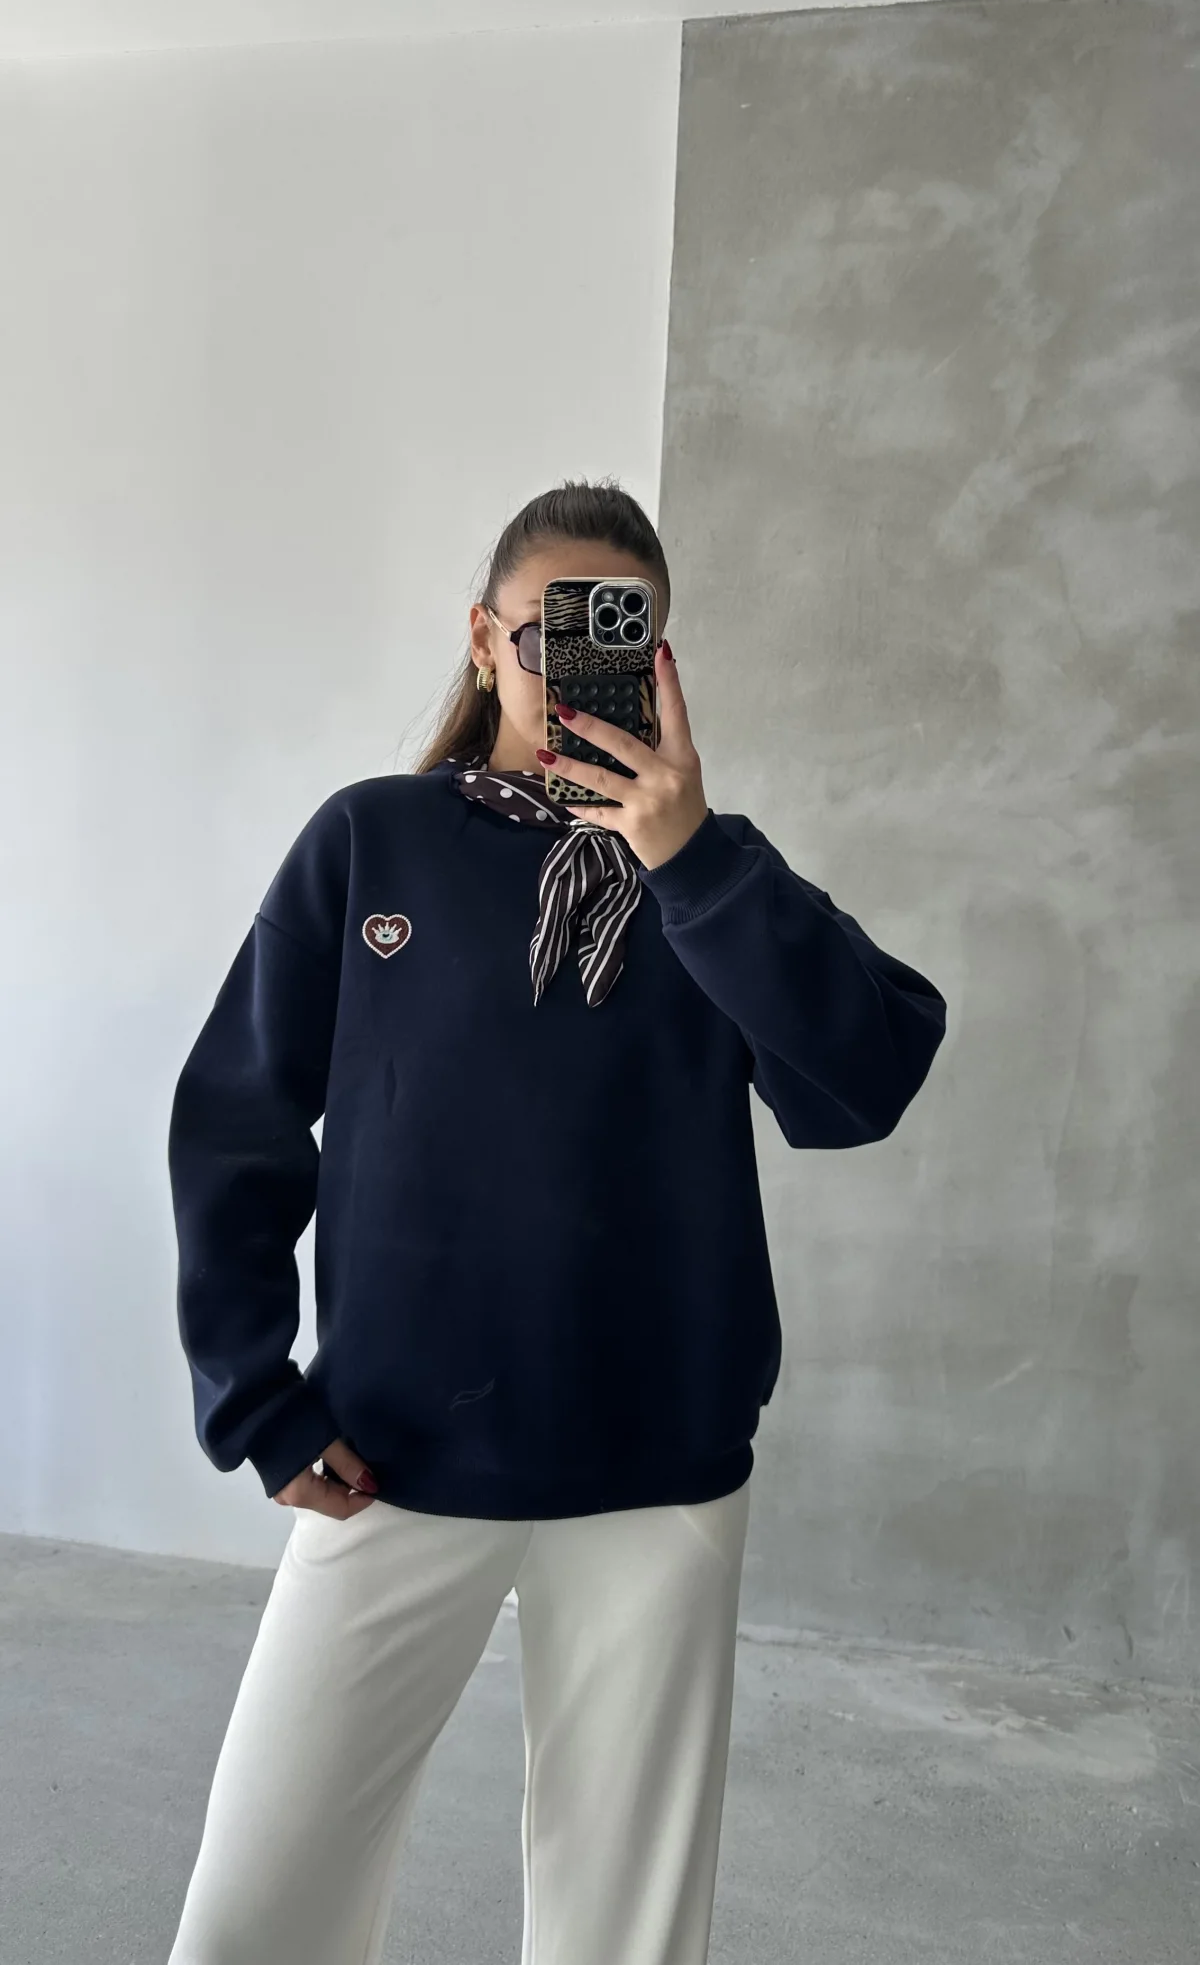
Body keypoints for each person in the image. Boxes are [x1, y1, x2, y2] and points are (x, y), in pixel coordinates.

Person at [166, 480, 947, 1965]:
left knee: (622, 1934)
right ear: (484, 641)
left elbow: (865, 1082)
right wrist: (253, 1395)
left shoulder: (716, 870)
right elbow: (236, 1119)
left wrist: (692, 860)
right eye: (548, 633)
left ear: (662, 660)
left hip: (658, 1465)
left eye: (620, 638)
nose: (576, 670)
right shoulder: (371, 842)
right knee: (257, 1911)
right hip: (390, 1454)